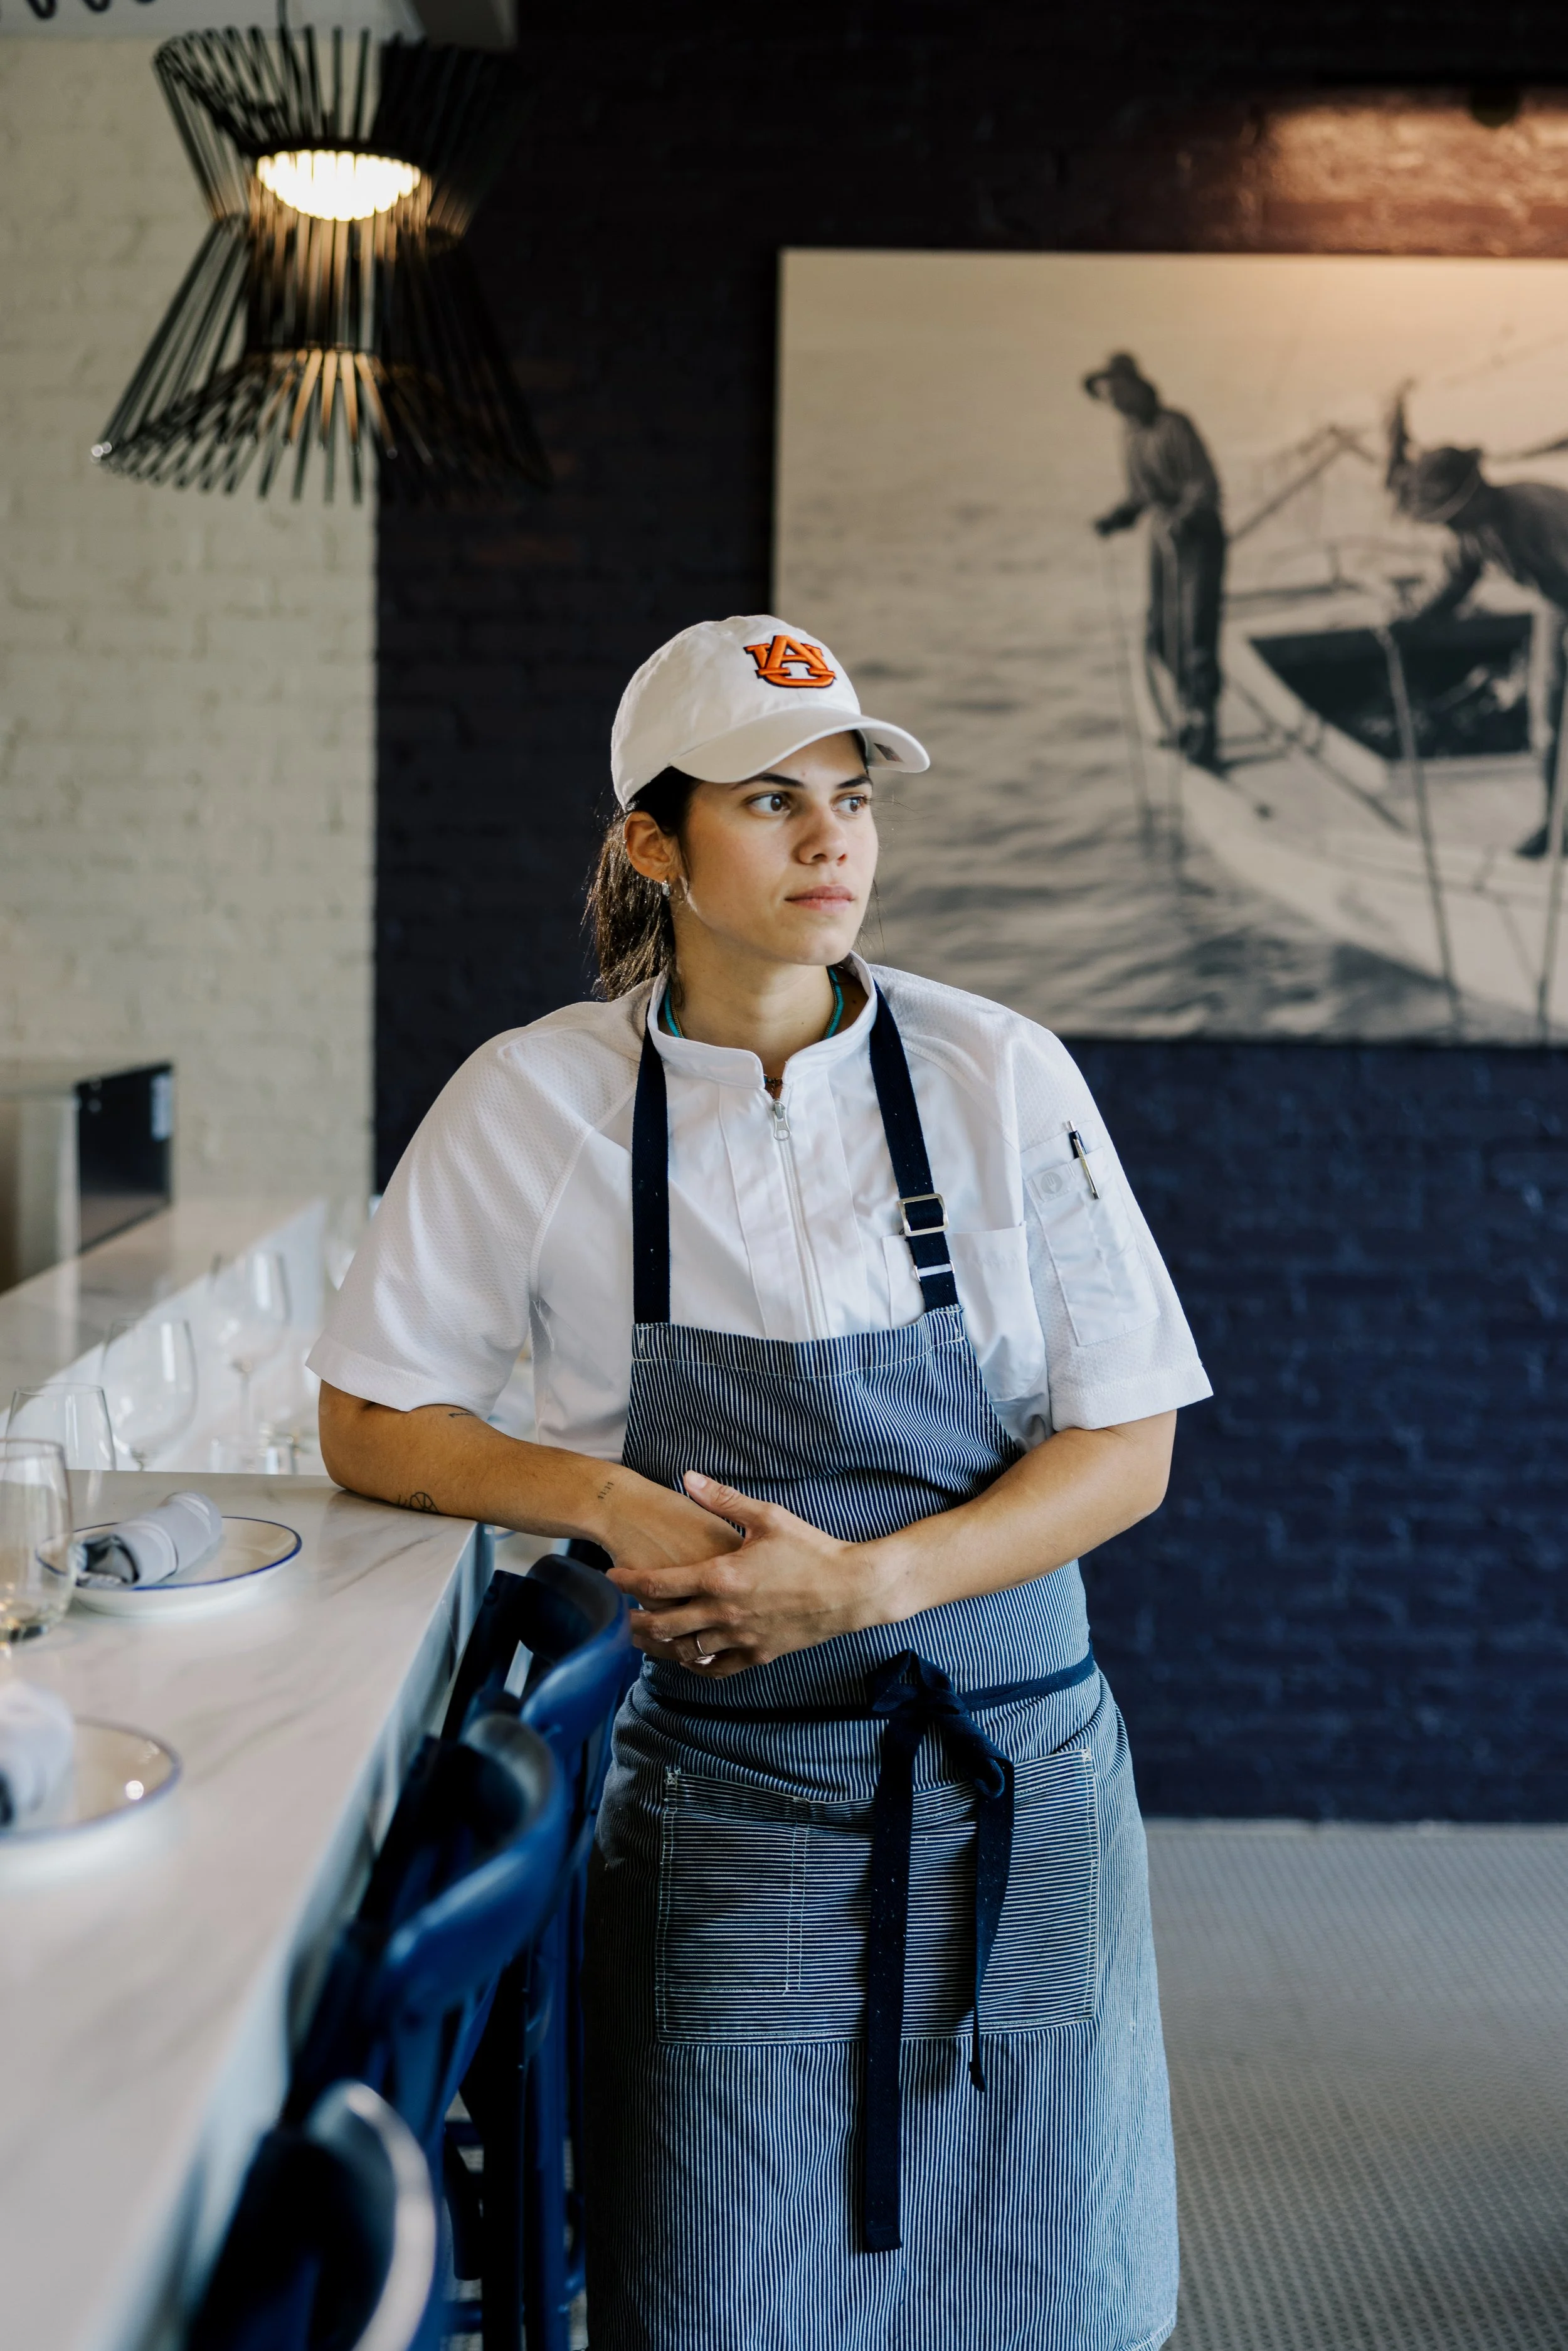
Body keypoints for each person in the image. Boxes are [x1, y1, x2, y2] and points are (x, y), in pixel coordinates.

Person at [310, 613, 1212, 2350]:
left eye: (852, 798)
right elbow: (370, 1414)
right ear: (652, 842)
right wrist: (602, 1497)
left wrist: (867, 1584)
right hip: (725, 1806)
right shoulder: (533, 1102)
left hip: (1019, 1784)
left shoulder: (995, 1073)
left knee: (1043, 2287)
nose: (830, 841)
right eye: (770, 798)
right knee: (725, 2290)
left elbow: (1129, 1444)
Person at [1387, 392, 1568, 856]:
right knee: (1545, 718)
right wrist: (1408, 621)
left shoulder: (1542, 513)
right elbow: (1449, 583)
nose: (1446, 527)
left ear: (1476, 495)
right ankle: (1559, 823)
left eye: (1450, 515)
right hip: (1557, 603)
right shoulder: (1470, 534)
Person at [1086, 351, 1227, 770]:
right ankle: (1186, 709)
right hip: (1163, 540)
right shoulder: (1130, 438)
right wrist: (1119, 517)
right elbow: (1142, 494)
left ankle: (1206, 727)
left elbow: (1206, 486)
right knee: (1164, 634)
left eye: (1117, 393)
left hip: (1199, 538)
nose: (1113, 403)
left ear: (1135, 387)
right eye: (1108, 397)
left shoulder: (1175, 426)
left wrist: (1182, 519)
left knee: (1197, 632)